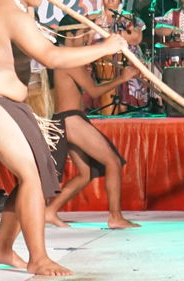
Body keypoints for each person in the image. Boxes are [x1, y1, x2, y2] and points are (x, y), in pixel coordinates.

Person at [0, 0, 127, 277]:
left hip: (9, 105)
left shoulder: (17, 9)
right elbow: (51, 57)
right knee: (31, 177)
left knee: (31, 177)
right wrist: (105, 47)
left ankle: (2, 249)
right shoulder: (8, 11)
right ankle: (38, 258)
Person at [44, 52, 140, 230]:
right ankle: (115, 217)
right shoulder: (69, 61)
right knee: (112, 162)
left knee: (85, 174)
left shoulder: (64, 60)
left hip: (68, 118)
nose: (87, 39)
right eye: (84, 36)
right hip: (71, 119)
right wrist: (122, 78)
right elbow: (94, 91)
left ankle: (50, 211)